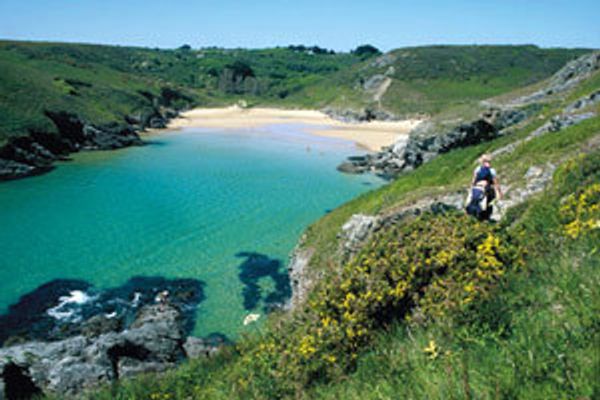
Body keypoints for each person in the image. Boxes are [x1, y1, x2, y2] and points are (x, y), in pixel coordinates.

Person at [467, 154, 502, 220]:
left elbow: (473, 180)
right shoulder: (492, 170)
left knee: (473, 201)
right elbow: (496, 183)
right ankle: (485, 217)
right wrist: (499, 193)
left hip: (476, 188)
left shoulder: (477, 169)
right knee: (488, 205)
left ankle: (473, 215)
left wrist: (471, 188)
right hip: (487, 190)